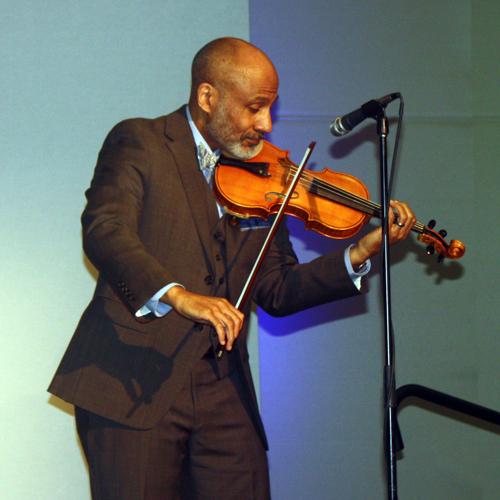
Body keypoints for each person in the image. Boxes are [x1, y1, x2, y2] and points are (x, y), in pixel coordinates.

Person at [48, 37, 415, 500]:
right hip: (133, 377)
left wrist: (359, 252)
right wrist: (178, 295)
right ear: (208, 97)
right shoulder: (141, 140)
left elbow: (278, 290)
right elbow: (104, 228)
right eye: (255, 108)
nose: (266, 124)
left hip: (225, 389)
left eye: (271, 108)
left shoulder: (268, 175)